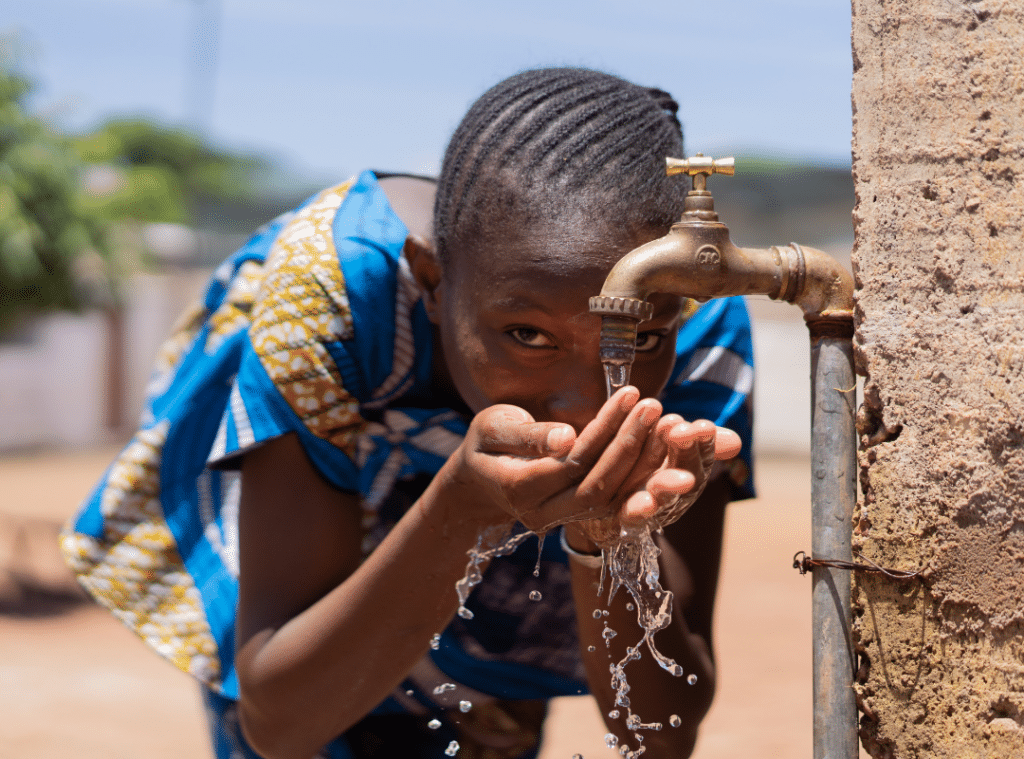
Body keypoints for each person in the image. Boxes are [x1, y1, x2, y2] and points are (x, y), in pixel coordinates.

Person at [61, 67, 755, 759]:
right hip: (323, 578)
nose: (584, 410)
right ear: (431, 280)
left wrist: (605, 535)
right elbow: (280, 721)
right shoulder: (333, 288)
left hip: (493, 611)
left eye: (642, 339)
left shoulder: (694, 311)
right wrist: (462, 506)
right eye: (528, 336)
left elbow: (659, 734)